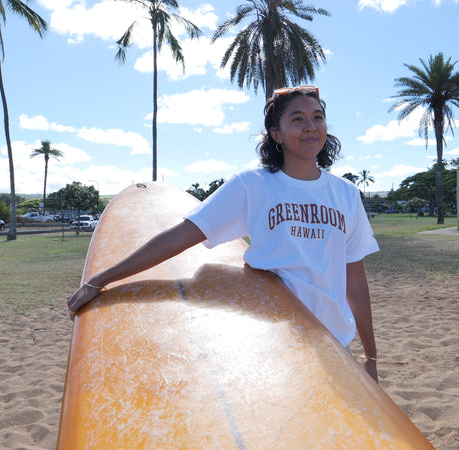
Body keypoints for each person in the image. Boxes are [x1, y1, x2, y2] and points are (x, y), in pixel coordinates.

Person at [67, 86, 380, 382]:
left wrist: (371, 357)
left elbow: (354, 281)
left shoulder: (346, 194)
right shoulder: (252, 185)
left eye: (317, 117)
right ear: (276, 134)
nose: (310, 126)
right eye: (297, 119)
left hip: (336, 342)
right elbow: (178, 237)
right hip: (276, 340)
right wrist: (103, 278)